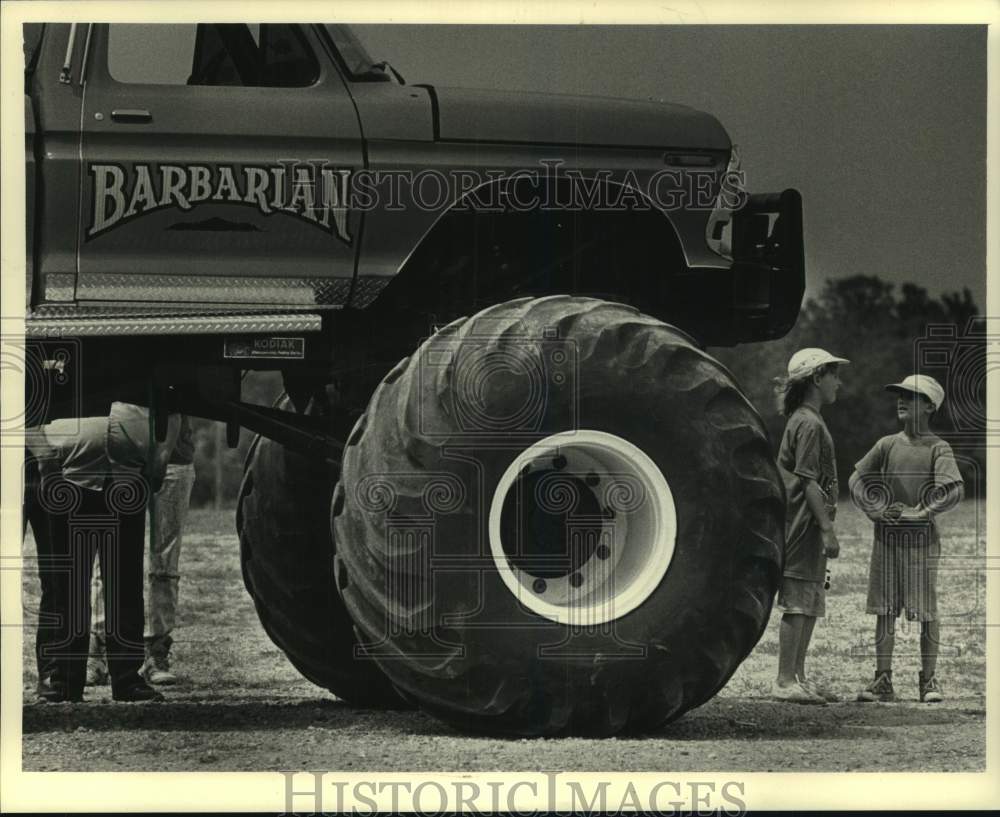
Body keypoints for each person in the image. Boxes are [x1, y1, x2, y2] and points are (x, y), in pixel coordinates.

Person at [28, 403, 178, 703]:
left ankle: (126, 679)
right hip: (67, 476)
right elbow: (25, 407)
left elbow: (171, 407)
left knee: (125, 583)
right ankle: (64, 681)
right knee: (66, 585)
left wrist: (160, 458)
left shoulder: (142, 365)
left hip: (126, 479)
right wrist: (45, 457)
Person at [850, 375, 964, 703]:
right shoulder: (887, 444)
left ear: (930, 406)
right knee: (885, 611)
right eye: (899, 395)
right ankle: (882, 680)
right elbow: (855, 478)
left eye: (912, 396)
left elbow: (955, 488)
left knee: (926, 612)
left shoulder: (938, 447)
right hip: (885, 541)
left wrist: (922, 512)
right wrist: (872, 508)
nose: (901, 400)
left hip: (921, 545)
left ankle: (928, 681)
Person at [87, 416, 196, 686]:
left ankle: (155, 651)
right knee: (109, 557)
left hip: (174, 459)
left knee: (165, 561)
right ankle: (99, 650)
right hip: (120, 459)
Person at [771, 348, 849, 704]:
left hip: (810, 525)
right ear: (817, 377)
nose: (839, 382)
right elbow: (807, 481)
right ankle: (784, 680)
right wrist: (825, 528)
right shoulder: (808, 423)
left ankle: (799, 678)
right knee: (799, 601)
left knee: (811, 599)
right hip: (802, 525)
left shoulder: (811, 420)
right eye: (834, 374)